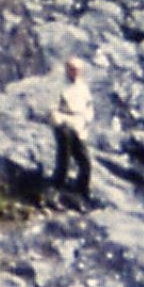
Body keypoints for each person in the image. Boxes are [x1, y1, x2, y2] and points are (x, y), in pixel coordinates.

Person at [46, 54, 94, 205]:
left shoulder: (83, 88)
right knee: (64, 162)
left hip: (78, 126)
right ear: (66, 69)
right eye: (72, 69)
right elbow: (52, 108)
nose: (75, 72)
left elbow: (89, 108)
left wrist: (85, 122)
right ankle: (53, 195)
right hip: (65, 126)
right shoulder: (59, 86)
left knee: (85, 163)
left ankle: (79, 195)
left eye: (78, 69)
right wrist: (60, 123)